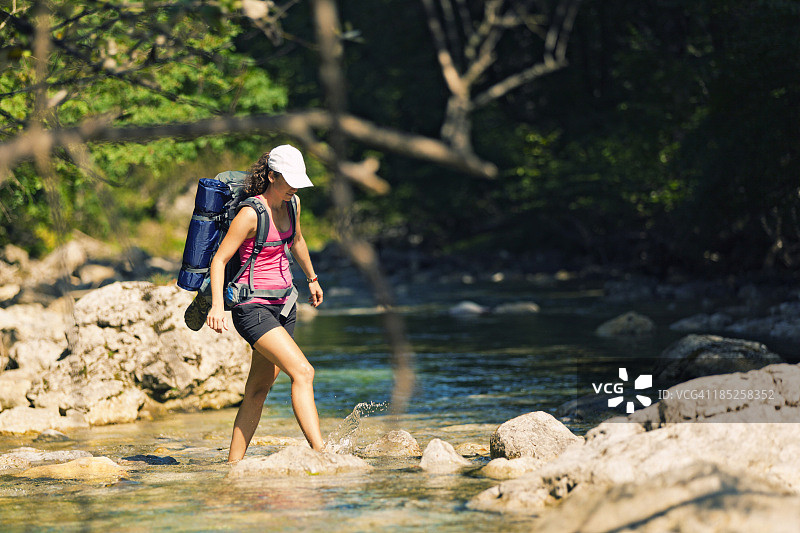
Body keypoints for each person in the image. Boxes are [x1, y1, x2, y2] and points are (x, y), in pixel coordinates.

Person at [205, 144, 325, 462]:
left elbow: (297, 240)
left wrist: (312, 278)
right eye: (289, 180)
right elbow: (220, 260)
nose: (295, 187)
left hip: (285, 306)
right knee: (303, 372)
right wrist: (217, 305)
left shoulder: (293, 204)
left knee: (258, 391)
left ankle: (233, 466)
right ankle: (322, 453)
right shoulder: (250, 214)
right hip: (252, 309)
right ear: (272, 176)